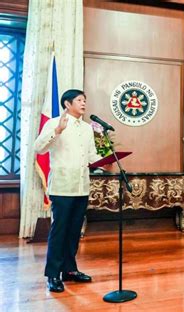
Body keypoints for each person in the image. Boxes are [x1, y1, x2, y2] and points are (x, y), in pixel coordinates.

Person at [34, 89, 102, 292]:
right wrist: (57, 131)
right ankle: (53, 274)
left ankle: (69, 270)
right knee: (60, 231)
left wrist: (104, 161)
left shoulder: (88, 129)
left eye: (85, 100)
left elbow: (91, 156)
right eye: (79, 100)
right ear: (67, 104)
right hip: (63, 187)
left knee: (74, 232)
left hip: (82, 187)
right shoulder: (55, 122)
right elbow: (39, 148)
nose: (83, 103)